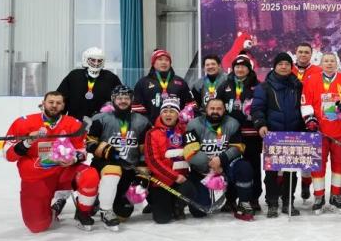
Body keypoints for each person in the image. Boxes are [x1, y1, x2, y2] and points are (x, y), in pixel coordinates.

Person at [3, 91, 99, 232]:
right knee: (37, 226)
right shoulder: (23, 123)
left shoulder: (73, 124)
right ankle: (54, 208)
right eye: (51, 102)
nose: (54, 105)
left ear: (63, 106)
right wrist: (27, 142)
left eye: (58, 103)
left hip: (64, 172)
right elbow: (8, 154)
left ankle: (83, 213)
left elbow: (82, 151)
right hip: (36, 177)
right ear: (43, 103)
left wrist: (73, 158)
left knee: (90, 175)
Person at [85, 85, 151, 231]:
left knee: (123, 214)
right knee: (110, 173)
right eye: (119, 98)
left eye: (126, 98)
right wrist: (106, 151)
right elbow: (89, 143)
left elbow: (144, 150)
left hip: (128, 168)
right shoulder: (101, 118)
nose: (123, 101)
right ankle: (98, 201)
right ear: (113, 100)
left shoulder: (142, 121)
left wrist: (142, 174)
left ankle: (107, 200)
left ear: (131, 100)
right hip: (104, 166)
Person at [301, 52, 341, 214]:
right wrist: (310, 120)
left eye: (332, 61)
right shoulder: (311, 80)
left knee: (340, 163)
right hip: (318, 131)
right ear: (321, 63)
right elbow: (305, 102)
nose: (329, 63)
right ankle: (319, 197)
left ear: (337, 63)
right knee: (317, 164)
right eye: (326, 61)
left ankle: (336, 195)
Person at [251, 52, 305, 218]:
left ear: (291, 67)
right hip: (273, 134)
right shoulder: (264, 87)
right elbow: (257, 108)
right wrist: (261, 124)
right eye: (280, 64)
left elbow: (304, 106)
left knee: (291, 171)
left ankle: (288, 201)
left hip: (293, 134)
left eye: (287, 64)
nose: (283, 67)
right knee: (272, 171)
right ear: (274, 66)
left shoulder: (298, 85)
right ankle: (272, 202)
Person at [185, 98, 254, 221]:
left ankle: (243, 202)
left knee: (244, 167)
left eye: (219, 109)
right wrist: (211, 163)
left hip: (225, 167)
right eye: (212, 108)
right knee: (199, 211)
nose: (215, 111)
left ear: (224, 110)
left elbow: (238, 148)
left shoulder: (233, 123)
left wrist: (221, 160)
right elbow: (190, 153)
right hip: (202, 171)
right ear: (205, 110)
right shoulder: (193, 125)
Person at [217, 52, 262, 213]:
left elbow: (262, 107)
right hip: (231, 135)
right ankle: (230, 198)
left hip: (251, 135)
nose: (240, 69)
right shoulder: (225, 85)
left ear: (249, 69)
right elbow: (217, 106)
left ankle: (253, 198)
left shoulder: (258, 86)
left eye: (243, 66)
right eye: (237, 66)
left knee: (253, 166)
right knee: (231, 165)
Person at [143, 96, 194, 224]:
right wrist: (174, 176)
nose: (168, 114)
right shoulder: (152, 133)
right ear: (161, 114)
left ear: (178, 115)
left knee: (191, 188)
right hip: (162, 181)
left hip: (182, 179)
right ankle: (155, 201)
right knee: (162, 219)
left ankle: (178, 206)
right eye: (165, 111)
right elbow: (153, 161)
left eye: (172, 111)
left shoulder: (184, 130)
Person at [57, 47, 122, 121]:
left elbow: (120, 99)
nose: (96, 63)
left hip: (102, 122)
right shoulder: (74, 75)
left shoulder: (111, 77)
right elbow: (61, 98)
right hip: (75, 122)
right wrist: (59, 120)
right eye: (93, 60)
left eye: (99, 60)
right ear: (86, 59)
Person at [291, 42, 321, 200]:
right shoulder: (287, 68)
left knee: (307, 155)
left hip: (310, 117)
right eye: (300, 52)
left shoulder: (318, 71)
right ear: (295, 53)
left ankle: (305, 184)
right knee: (288, 154)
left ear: (311, 54)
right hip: (290, 117)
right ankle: (286, 191)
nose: (303, 55)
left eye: (306, 52)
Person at [133, 49, 196, 122]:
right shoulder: (143, 83)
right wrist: (148, 124)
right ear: (153, 63)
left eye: (167, 60)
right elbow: (137, 110)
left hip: (177, 127)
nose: (164, 62)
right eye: (160, 59)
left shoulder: (181, 82)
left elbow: (191, 106)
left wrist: (182, 120)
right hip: (152, 127)